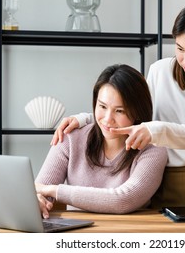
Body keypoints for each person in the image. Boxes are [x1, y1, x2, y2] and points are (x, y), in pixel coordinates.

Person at [51, 2, 185, 208]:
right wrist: (85, 118)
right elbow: (133, 110)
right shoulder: (160, 70)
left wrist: (154, 130)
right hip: (161, 179)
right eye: (180, 48)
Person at [35, 64, 168, 218]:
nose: (107, 119)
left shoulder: (153, 149)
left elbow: (123, 200)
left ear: (137, 111)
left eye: (119, 111)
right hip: (77, 234)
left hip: (127, 234)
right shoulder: (70, 138)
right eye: (102, 106)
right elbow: (40, 190)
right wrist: (38, 199)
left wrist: (55, 191)